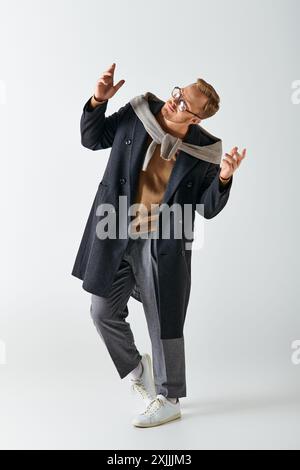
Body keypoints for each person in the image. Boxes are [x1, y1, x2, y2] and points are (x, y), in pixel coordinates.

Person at [72, 63, 247, 428]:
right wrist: (97, 101)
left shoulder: (203, 152)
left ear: (197, 119)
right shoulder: (139, 113)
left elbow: (208, 207)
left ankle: (170, 398)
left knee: (164, 318)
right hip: (115, 231)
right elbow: (93, 139)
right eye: (177, 93)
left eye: (185, 105)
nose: (175, 102)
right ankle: (137, 368)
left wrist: (225, 178)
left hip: (163, 241)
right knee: (101, 310)